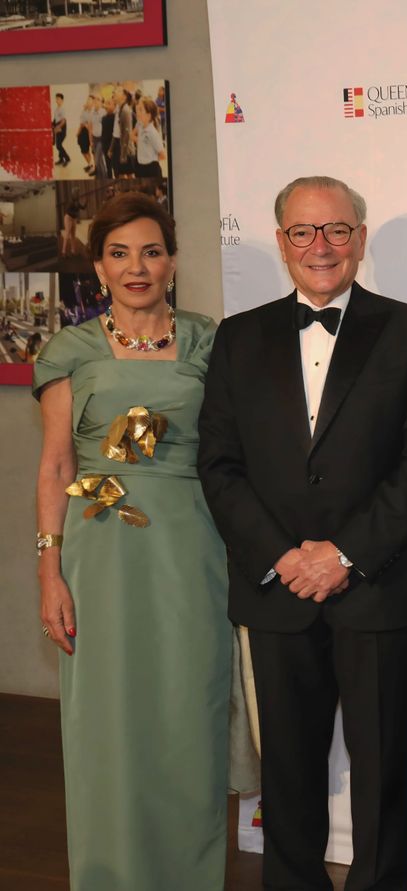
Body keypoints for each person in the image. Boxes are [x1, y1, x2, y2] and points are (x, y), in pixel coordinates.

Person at [198, 175, 407, 891]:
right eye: (303, 232)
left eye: (337, 229)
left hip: (378, 587)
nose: (321, 246)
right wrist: (284, 556)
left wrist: (344, 554)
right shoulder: (238, 336)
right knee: (287, 771)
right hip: (276, 592)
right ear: (281, 243)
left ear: (360, 239)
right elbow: (218, 463)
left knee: (379, 774)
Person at [33, 192, 231, 889]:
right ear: (99, 265)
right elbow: (58, 464)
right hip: (99, 547)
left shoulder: (210, 340)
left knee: (189, 707)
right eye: (119, 253)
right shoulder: (71, 348)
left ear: (172, 261)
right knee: (107, 717)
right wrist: (49, 571)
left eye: (151, 251)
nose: (137, 267)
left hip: (192, 544)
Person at [133, 96, 166, 179]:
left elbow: (163, 155)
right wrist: (139, 141)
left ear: (148, 115)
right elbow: (132, 135)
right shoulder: (140, 125)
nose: (137, 112)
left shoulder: (152, 133)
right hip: (140, 168)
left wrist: (151, 158)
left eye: (140, 110)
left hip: (151, 170)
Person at [52, 92, 69, 167]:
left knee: (58, 145)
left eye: (58, 99)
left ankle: (67, 158)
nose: (57, 100)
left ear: (62, 100)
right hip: (57, 127)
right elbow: (55, 119)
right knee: (59, 144)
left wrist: (57, 127)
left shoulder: (62, 109)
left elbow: (64, 121)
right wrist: (53, 124)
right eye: (56, 98)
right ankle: (61, 159)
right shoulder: (56, 109)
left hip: (62, 128)